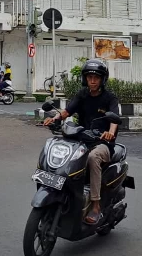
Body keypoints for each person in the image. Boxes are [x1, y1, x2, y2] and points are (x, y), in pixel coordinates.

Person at [43, 59, 119, 225]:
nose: (92, 80)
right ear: (85, 78)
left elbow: (114, 119)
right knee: (63, 151)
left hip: (103, 143)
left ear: (102, 79)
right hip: (83, 138)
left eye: (96, 77)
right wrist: (54, 118)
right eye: (89, 77)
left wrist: (110, 134)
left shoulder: (109, 98)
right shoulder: (82, 94)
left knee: (93, 158)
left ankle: (96, 205)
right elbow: (67, 111)